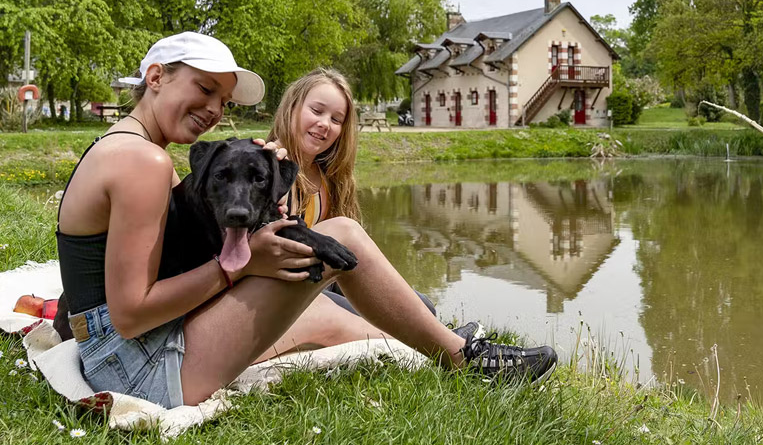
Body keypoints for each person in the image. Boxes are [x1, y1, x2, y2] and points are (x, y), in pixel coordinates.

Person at [56, 32, 557, 410]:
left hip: (120, 352)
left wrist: (253, 199)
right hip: (135, 368)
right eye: (204, 89)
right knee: (336, 236)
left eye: (222, 102)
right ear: (157, 76)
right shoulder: (144, 163)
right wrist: (240, 268)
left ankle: (443, 341)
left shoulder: (125, 147)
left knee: (323, 301)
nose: (212, 110)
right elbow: (129, 314)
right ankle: (469, 360)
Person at [265, 68, 452, 325]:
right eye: (317, 111)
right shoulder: (268, 165)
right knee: (369, 319)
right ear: (292, 108)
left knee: (424, 308)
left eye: (336, 119)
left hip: (325, 279)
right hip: (286, 287)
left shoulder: (331, 178)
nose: (324, 124)